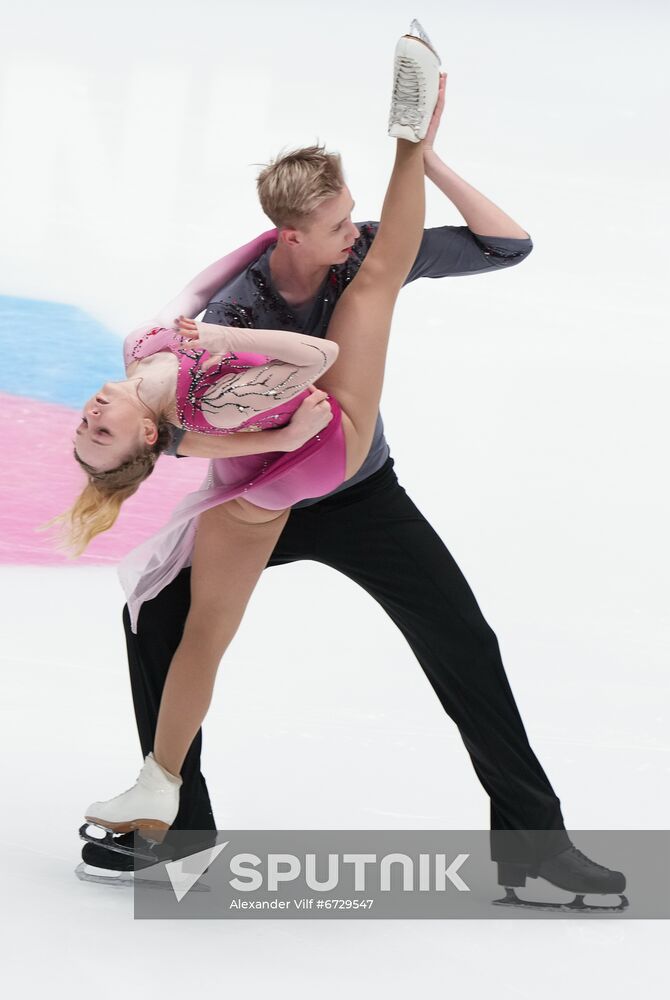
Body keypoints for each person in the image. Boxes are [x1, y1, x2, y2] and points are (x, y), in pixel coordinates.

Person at [78, 22, 626, 909]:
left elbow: (507, 246)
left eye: (353, 217)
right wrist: (183, 435)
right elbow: (191, 423)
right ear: (290, 234)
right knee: (160, 619)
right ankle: (179, 833)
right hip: (263, 491)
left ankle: (534, 849)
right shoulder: (236, 307)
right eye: (335, 223)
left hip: (362, 490)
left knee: (463, 640)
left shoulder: (363, 253)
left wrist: (432, 158)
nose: (353, 232)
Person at [77, 27, 440, 841]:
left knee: (201, 632)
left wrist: (253, 253)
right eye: (103, 434)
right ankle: (412, 138)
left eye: (86, 421)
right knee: (378, 278)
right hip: (322, 449)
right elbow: (317, 359)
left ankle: (158, 784)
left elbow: (200, 286)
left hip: (279, 456)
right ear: (145, 439)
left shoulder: (142, 351)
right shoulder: (199, 411)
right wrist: (237, 357)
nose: (92, 414)